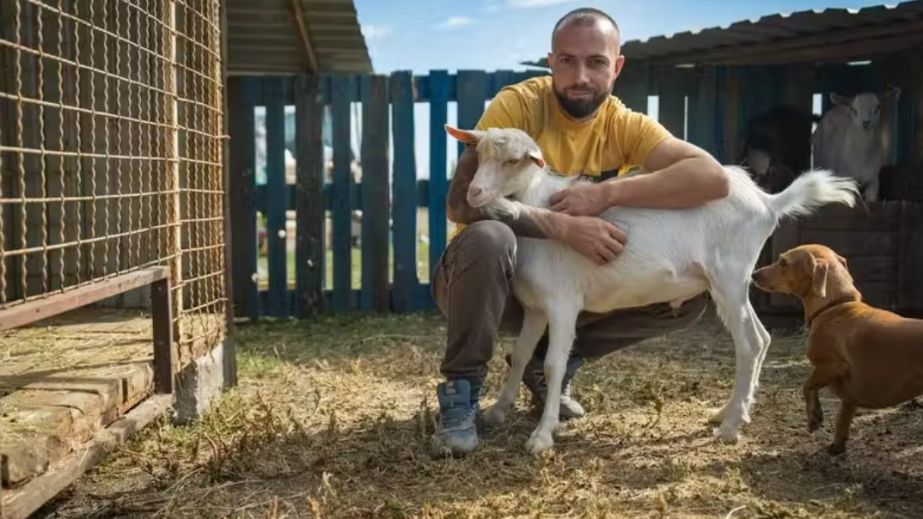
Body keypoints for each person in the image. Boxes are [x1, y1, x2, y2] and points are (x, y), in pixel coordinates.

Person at [431, 7, 729, 456]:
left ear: (617, 66)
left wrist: (606, 194)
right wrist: (560, 224)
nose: (581, 76)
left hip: (568, 289)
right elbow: (460, 205)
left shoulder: (626, 126)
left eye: (596, 62)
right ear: (550, 62)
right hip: (488, 287)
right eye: (567, 61)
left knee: (685, 295)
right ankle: (462, 392)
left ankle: (548, 364)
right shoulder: (517, 107)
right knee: (491, 238)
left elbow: (713, 179)